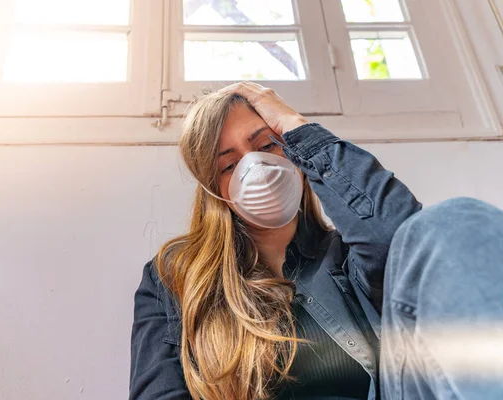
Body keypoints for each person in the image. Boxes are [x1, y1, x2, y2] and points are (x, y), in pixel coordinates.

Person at [129, 82, 503, 400]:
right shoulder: (174, 277)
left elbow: (398, 233)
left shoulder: (349, 256)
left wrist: (295, 125)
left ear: (294, 154)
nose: (255, 168)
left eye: (267, 145)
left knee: (457, 218)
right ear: (217, 191)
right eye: (229, 165)